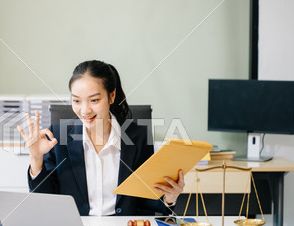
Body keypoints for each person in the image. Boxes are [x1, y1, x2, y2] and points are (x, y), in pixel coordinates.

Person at [18, 60, 184, 216]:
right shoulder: (58, 136)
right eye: (76, 100)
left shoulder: (138, 136)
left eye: (94, 100)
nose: (85, 110)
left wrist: (169, 198)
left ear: (111, 96)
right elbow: (46, 200)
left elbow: (145, 199)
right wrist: (36, 158)